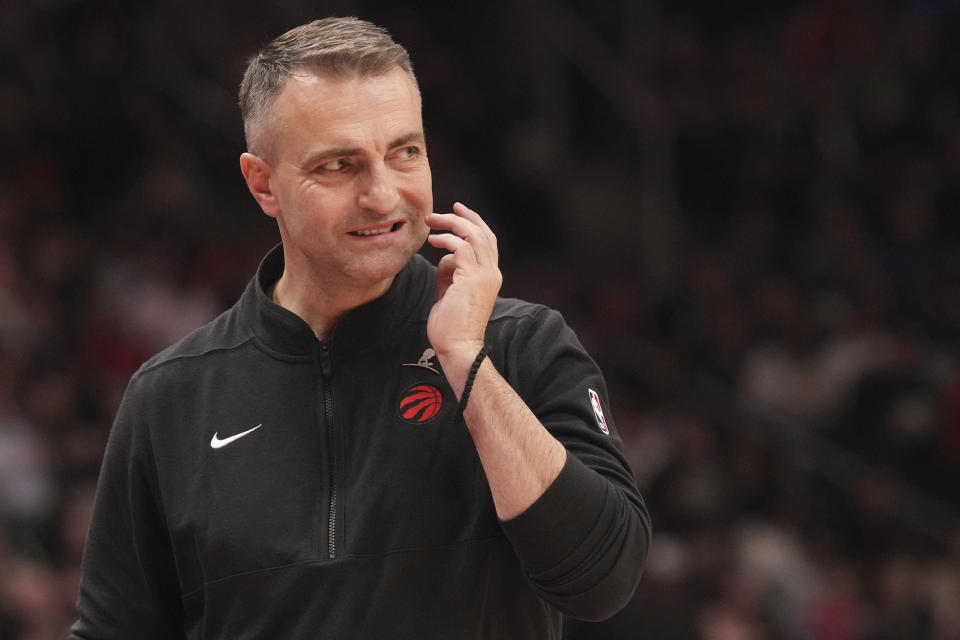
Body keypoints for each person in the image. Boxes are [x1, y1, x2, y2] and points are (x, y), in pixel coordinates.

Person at [70, 16, 651, 639]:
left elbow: (603, 579)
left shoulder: (522, 346)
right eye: (340, 165)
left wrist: (464, 360)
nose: (382, 195)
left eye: (405, 152)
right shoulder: (171, 397)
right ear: (262, 183)